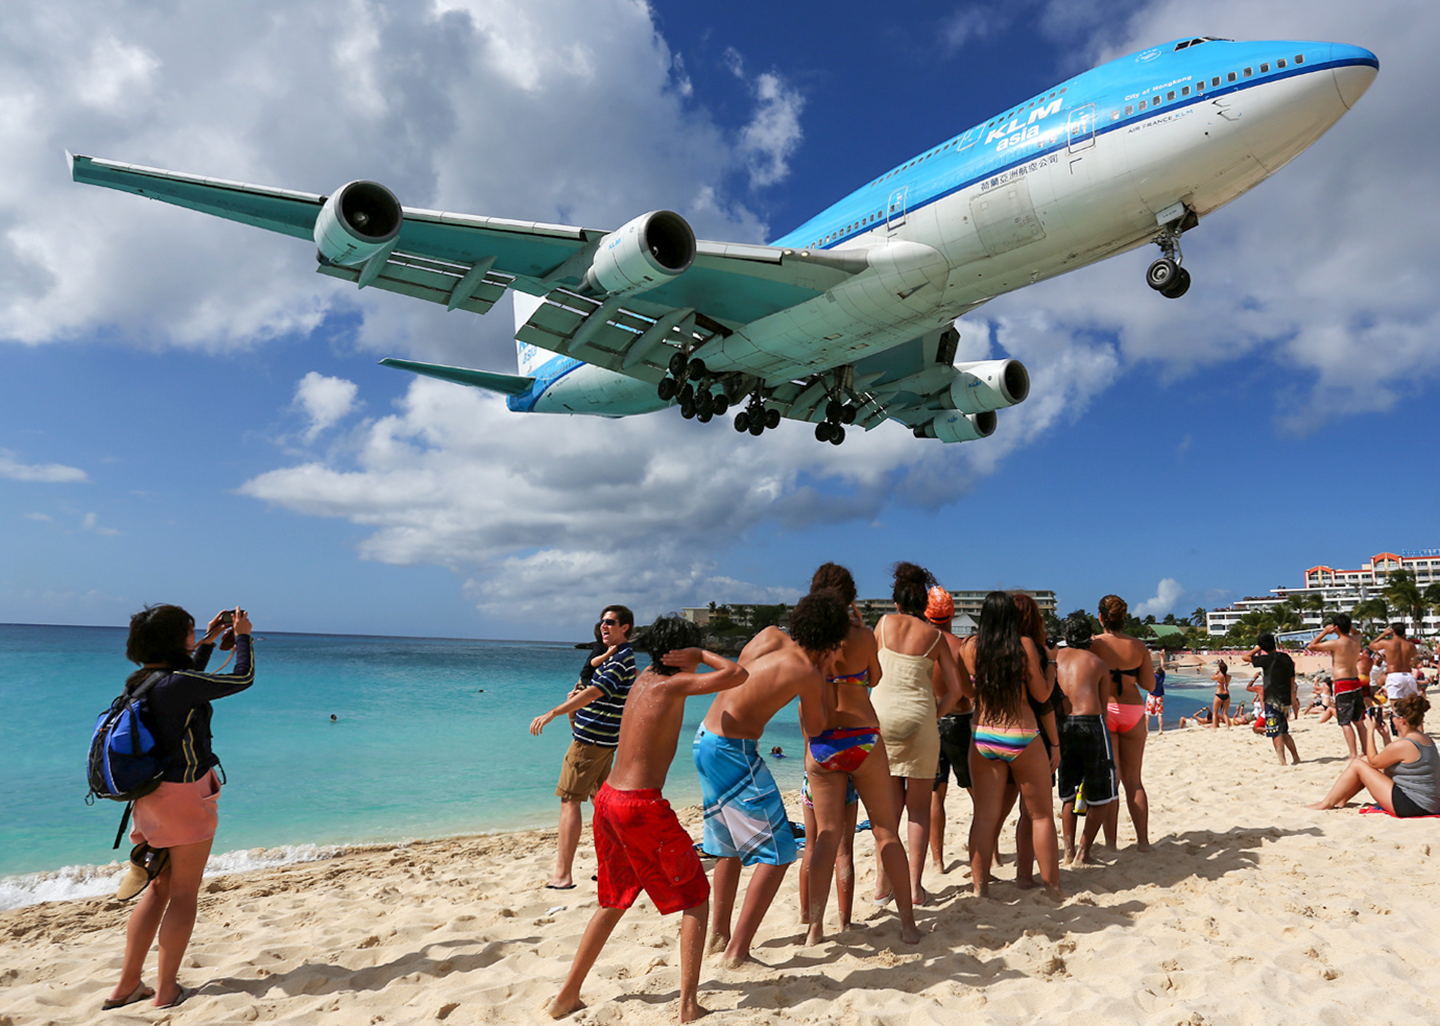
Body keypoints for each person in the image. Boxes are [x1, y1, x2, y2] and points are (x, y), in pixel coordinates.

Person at [547, 616, 747, 1024]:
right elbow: (737, 673)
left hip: (608, 802)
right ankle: (688, 1005)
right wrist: (702, 654)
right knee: (695, 896)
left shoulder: (643, 679)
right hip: (640, 807)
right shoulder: (675, 683)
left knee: (615, 899)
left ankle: (567, 994)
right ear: (681, 653)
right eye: (689, 652)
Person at [105, 604, 254, 1012]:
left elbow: (186, 681)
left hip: (149, 797)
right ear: (175, 640)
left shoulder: (142, 681)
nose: (195, 636)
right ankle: (166, 990)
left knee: (157, 888)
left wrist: (205, 641)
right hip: (185, 797)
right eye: (189, 632)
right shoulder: (176, 684)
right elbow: (242, 677)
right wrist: (242, 635)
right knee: (184, 894)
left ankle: (126, 986)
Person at [695, 591, 850, 966]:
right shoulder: (806, 670)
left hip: (705, 739)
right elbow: (817, 726)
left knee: (728, 847)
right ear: (830, 639)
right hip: (735, 752)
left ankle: (719, 934)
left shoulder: (767, 635)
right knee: (779, 853)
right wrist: (827, 675)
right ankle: (737, 952)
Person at [799, 566, 921, 949]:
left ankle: (816, 928)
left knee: (826, 837)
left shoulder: (805, 641)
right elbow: (876, 678)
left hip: (822, 743)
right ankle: (908, 925)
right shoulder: (863, 635)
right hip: (863, 738)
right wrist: (859, 627)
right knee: (886, 831)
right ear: (851, 597)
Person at [870, 563, 963, 907]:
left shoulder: (882, 625)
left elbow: (871, 671)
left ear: (895, 603)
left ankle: (882, 885)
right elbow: (955, 690)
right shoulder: (935, 637)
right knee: (919, 811)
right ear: (923, 605)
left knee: (888, 810)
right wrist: (933, 714)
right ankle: (912, 888)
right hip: (919, 721)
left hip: (881, 719)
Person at [529, 605, 636, 890]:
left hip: (591, 743)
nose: (604, 626)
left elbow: (594, 692)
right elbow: (591, 691)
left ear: (625, 627)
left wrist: (553, 712)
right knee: (603, 805)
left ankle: (563, 875)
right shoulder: (617, 659)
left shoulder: (620, 659)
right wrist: (573, 709)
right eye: (602, 622)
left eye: (610, 622)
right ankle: (615, 866)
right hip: (600, 739)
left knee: (570, 800)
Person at [967, 591, 1062, 899]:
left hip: (983, 733)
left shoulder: (969, 647)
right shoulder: (1022, 647)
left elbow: (966, 692)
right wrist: (1051, 664)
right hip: (1020, 731)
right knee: (1041, 815)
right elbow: (1043, 694)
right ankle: (1052, 887)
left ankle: (980, 887)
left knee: (984, 816)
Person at [1089, 595, 1155, 852]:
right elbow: (1149, 685)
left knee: (1111, 781)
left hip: (1105, 711)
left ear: (1101, 617)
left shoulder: (1092, 645)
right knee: (1134, 780)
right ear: (1124, 618)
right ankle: (1143, 842)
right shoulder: (1138, 646)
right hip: (1132, 711)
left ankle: (1111, 843)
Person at [1306, 694, 1440, 817]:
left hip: (1413, 805)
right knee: (1364, 761)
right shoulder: (1423, 738)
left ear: (1402, 721)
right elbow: (1390, 760)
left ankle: (1326, 803)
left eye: (1392, 716)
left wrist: (1370, 731)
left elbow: (1375, 762)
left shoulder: (1404, 745)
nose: (1391, 719)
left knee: (1358, 764)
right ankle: (1340, 800)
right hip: (1428, 803)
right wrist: (1386, 737)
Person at [1054, 612, 1118, 865]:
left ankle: (1068, 850)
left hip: (1062, 725)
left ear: (1065, 637)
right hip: (1091, 723)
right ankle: (1084, 851)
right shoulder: (1098, 663)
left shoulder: (1055, 660)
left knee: (1068, 792)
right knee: (1102, 794)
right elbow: (1103, 705)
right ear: (1089, 638)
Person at [926, 586, 973, 874]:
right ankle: (989, 854)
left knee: (935, 794)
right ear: (952, 614)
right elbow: (969, 690)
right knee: (976, 791)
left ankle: (938, 860)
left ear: (927, 614)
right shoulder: (962, 645)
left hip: (930, 723)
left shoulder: (921, 645)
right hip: (960, 721)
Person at [1244, 633, 1300, 765]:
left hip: (1272, 699)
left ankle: (1282, 762)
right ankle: (1296, 757)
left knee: (1275, 732)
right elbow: (1292, 678)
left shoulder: (1267, 659)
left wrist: (1258, 648)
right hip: (1285, 698)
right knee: (1283, 730)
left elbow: (1246, 657)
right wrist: (1292, 696)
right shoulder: (1286, 658)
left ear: (1262, 646)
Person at [1371, 624, 1420, 706]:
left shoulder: (1387, 643)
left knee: (1396, 708)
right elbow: (1414, 655)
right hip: (1408, 675)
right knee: (1412, 708)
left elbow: (1371, 645)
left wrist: (1383, 634)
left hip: (1394, 676)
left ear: (1392, 631)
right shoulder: (1411, 645)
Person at [1210, 660, 1233, 729]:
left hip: (1219, 694)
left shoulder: (1219, 676)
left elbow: (1212, 677)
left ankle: (1214, 728)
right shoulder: (1229, 676)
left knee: (1215, 712)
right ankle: (1228, 727)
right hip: (1227, 694)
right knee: (1225, 713)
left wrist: (1217, 671)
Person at [1146, 664, 1166, 733]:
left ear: (1155, 671)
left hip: (1151, 696)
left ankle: (1146, 728)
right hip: (1159, 696)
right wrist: (1162, 657)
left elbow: (1147, 668)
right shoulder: (1162, 676)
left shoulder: (1153, 677)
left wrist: (1148, 655)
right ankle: (1160, 729)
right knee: (1160, 714)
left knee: (1148, 713)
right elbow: (1163, 667)